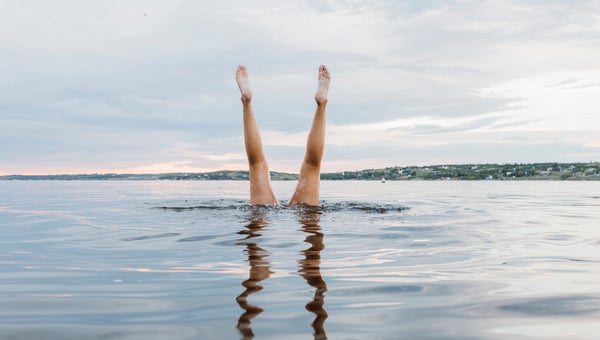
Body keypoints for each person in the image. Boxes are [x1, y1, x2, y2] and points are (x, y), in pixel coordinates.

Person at [235, 64, 331, 206]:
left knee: (257, 165)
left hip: (263, 213)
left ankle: (246, 102)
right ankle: (321, 104)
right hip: (305, 212)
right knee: (312, 167)